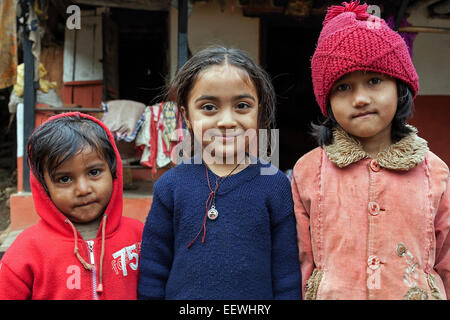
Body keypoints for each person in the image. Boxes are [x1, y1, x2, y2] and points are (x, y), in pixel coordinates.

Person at [292, 1, 449, 300]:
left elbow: (447, 261)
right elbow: (301, 260)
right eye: (343, 87)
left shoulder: (435, 172)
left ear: (400, 87)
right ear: (327, 102)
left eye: (374, 81)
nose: (361, 98)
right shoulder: (308, 171)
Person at [138, 46, 302, 300]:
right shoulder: (170, 186)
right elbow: (153, 270)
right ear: (187, 116)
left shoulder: (275, 185)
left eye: (242, 106)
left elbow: (286, 275)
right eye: (209, 107)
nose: (227, 120)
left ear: (259, 111)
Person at [0, 112, 144, 299]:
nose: (83, 189)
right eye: (64, 179)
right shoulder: (26, 250)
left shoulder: (140, 237)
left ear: (113, 171)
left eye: (94, 172)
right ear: (44, 186)